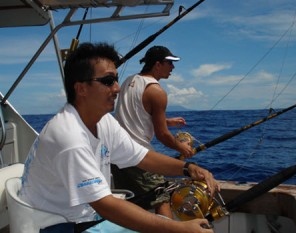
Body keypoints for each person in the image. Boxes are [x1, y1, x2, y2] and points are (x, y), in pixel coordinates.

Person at [20, 42, 218, 233]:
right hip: (58, 226)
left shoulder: (104, 121)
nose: (117, 88)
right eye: (107, 81)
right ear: (81, 89)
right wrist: (178, 228)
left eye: (115, 79)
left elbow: (143, 157)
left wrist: (188, 169)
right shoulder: (69, 137)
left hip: (86, 217)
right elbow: (105, 205)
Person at [112, 45, 194, 218]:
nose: (173, 68)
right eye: (169, 63)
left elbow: (134, 115)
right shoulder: (157, 92)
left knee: (133, 202)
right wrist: (182, 148)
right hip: (138, 156)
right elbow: (162, 135)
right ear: (157, 64)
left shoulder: (128, 81)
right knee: (162, 196)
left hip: (116, 155)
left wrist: (167, 121)